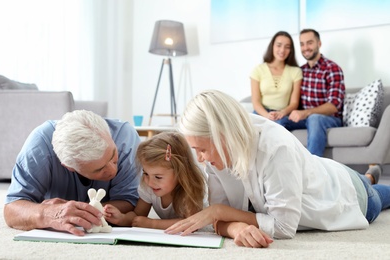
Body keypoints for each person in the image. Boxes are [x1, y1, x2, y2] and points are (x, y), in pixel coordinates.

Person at [165, 90, 389, 248]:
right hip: (321, 171)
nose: (200, 158)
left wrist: (219, 213)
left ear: (224, 136)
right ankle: (369, 175)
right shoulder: (218, 155)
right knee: (367, 179)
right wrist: (233, 227)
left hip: (349, 194)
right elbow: (219, 221)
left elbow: (283, 226)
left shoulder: (275, 148)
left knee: (379, 193)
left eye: (201, 149)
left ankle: (368, 180)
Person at [4, 110, 141, 236]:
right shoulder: (39, 147)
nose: (113, 171)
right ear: (69, 166)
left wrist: (80, 212)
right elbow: (12, 208)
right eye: (99, 169)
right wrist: (47, 213)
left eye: (113, 156)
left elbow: (129, 201)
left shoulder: (126, 137)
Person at [104, 132, 206, 230]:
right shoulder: (149, 187)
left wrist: (153, 224)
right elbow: (138, 215)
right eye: (146, 174)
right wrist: (122, 218)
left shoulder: (190, 189)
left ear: (180, 173)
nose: (150, 182)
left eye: (158, 177)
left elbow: (191, 223)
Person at [277, 29, 345, 157]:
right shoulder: (300, 71)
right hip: (305, 118)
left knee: (314, 118)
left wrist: (306, 113)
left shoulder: (332, 68)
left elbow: (333, 105)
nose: (305, 48)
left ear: (319, 44)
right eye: (302, 44)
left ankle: (312, 169)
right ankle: (282, 164)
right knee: (280, 122)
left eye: (309, 43)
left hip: (329, 118)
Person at [250, 31, 302, 124]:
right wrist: (266, 115)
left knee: (278, 125)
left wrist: (282, 112)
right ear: (272, 46)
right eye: (279, 45)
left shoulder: (296, 72)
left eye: (287, 47)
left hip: (282, 114)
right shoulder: (258, 70)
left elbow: (294, 103)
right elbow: (256, 102)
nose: (282, 50)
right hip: (261, 113)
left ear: (291, 50)